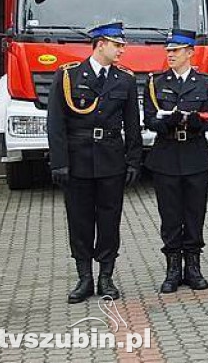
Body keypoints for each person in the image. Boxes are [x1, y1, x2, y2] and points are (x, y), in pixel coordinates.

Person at [47, 22, 141, 303]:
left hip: (111, 160)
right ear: (100, 44)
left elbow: (132, 125)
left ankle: (106, 277)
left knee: (109, 220)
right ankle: (84, 278)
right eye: (117, 45)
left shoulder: (124, 79)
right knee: (79, 220)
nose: (122, 50)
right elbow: (56, 123)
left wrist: (134, 161)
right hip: (78, 160)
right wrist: (59, 162)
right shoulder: (68, 76)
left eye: (122, 45)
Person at [143, 28, 208, 293]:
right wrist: (167, 121)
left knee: (195, 214)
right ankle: (173, 268)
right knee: (170, 215)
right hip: (166, 155)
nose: (170, 55)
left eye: (175, 50)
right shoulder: (156, 82)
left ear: (189, 52)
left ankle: (193, 267)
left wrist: (195, 119)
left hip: (195, 154)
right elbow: (149, 119)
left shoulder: (206, 83)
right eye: (168, 51)